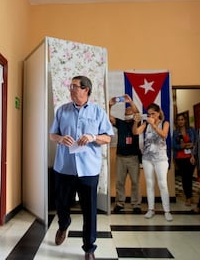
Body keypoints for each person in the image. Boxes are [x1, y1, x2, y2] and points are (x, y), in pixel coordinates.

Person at [49, 75, 113, 260]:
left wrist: (93, 137)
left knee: (90, 210)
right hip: (64, 168)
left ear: (86, 89)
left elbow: (108, 137)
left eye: (74, 86)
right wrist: (60, 139)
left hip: (88, 170)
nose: (71, 89)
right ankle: (63, 225)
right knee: (61, 204)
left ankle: (89, 248)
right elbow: (52, 135)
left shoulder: (98, 112)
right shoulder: (62, 111)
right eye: (70, 86)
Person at [132, 103, 173, 221]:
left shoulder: (165, 123)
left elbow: (164, 135)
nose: (151, 116)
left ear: (158, 113)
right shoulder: (146, 124)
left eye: (153, 114)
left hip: (161, 158)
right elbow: (136, 132)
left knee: (163, 184)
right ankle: (151, 209)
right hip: (147, 158)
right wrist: (136, 122)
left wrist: (154, 125)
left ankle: (167, 210)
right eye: (149, 114)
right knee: (150, 184)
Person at [109, 94, 142, 213]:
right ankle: (120, 203)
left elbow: (138, 114)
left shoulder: (136, 122)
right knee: (120, 182)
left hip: (133, 157)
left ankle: (136, 204)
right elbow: (108, 117)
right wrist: (109, 105)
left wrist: (130, 101)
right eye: (126, 109)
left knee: (135, 182)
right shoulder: (120, 123)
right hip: (121, 157)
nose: (128, 109)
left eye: (130, 108)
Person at [172, 113, 197, 206]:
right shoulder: (175, 132)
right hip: (180, 158)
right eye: (179, 120)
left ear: (185, 120)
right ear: (176, 122)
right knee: (185, 178)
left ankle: (190, 196)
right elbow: (174, 145)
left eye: (182, 119)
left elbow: (196, 142)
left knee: (189, 178)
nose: (180, 121)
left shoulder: (191, 130)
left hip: (191, 157)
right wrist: (181, 146)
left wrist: (192, 146)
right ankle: (188, 198)